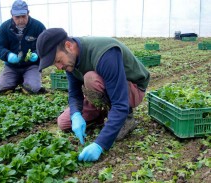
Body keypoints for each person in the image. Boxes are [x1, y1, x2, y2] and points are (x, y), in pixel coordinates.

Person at [36, 28, 150, 162]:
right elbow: (74, 94)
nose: (59, 67)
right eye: (55, 64)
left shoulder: (105, 54)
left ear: (68, 46)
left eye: (58, 60)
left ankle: (126, 119)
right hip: (106, 89)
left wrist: (100, 144)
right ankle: (101, 114)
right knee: (64, 122)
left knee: (91, 78)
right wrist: (76, 115)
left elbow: (120, 104)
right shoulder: (70, 61)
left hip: (131, 89)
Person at [0, 0, 46, 94]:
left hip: (31, 65)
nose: (21, 20)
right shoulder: (4, 27)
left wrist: (36, 54)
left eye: (23, 16)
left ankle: (27, 79)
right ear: (12, 15)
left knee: (33, 88)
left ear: (28, 13)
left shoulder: (38, 27)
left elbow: (45, 46)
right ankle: (16, 79)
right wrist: (8, 55)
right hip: (12, 66)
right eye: (17, 17)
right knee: (0, 89)